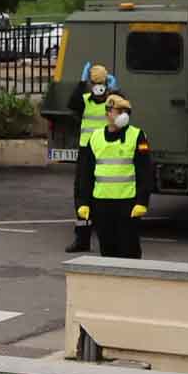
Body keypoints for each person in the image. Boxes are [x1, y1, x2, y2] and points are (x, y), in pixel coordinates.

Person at [80, 95, 154, 259]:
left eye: (126, 112)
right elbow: (85, 173)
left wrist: (142, 201)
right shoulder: (96, 137)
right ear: (108, 113)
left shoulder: (137, 136)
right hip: (102, 203)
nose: (123, 115)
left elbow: (146, 171)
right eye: (119, 111)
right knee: (107, 250)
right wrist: (83, 202)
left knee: (129, 250)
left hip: (127, 204)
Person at [66, 63, 115, 254]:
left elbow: (125, 109)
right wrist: (80, 83)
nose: (98, 87)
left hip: (103, 153)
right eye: (95, 83)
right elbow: (72, 103)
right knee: (82, 195)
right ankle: (82, 238)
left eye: (101, 83)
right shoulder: (85, 99)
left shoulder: (112, 102)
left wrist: (115, 89)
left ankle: (105, 238)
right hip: (87, 152)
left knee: (101, 195)